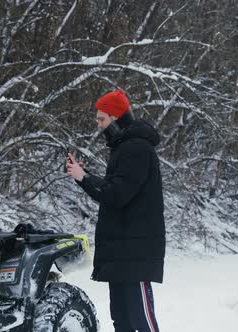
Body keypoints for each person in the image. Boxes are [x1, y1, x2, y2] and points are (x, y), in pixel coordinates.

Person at [66, 90, 165, 332]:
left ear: (116, 117)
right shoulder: (124, 148)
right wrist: (84, 177)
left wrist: (84, 179)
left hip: (135, 251)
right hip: (122, 250)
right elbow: (117, 189)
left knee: (141, 320)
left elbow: (116, 195)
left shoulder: (137, 149)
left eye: (102, 119)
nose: (98, 126)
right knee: (122, 320)